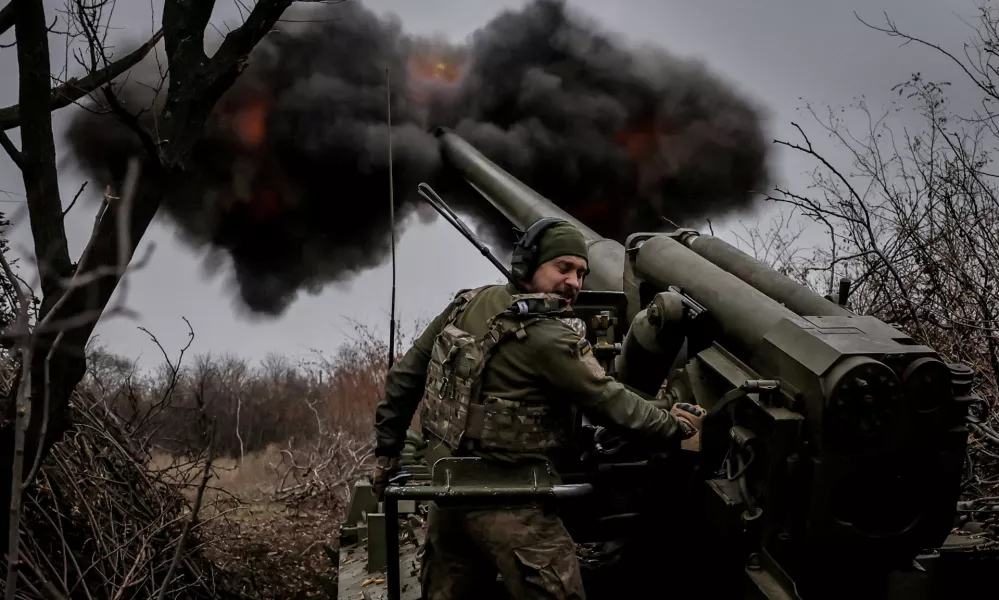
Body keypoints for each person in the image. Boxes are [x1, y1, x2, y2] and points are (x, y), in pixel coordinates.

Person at [369, 217, 704, 600]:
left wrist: (387, 453)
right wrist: (675, 425)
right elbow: (614, 404)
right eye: (563, 268)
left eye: (581, 273)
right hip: (513, 502)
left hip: (448, 494)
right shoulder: (549, 337)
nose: (575, 283)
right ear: (526, 267)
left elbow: (403, 379)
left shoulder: (464, 304)